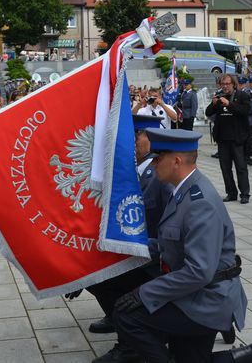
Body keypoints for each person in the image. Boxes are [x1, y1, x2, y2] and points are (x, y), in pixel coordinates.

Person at [112, 127, 252, 363]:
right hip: (195, 293)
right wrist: (126, 247)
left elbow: (199, 271)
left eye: (158, 158)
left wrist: (145, 293)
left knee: (127, 316)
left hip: (207, 300)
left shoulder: (198, 202)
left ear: (176, 161)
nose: (153, 165)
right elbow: (167, 245)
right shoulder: (182, 190)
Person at [86, 115, 172, 363]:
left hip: (156, 258)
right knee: (92, 277)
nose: (131, 141)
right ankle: (119, 320)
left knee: (107, 278)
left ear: (153, 139)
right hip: (141, 251)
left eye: (137, 135)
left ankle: (130, 344)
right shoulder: (134, 171)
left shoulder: (160, 178)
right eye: (130, 135)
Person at [204, 74, 251, 204]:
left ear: (233, 84)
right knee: (225, 168)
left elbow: (245, 111)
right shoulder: (219, 96)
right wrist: (213, 104)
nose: (225, 86)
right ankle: (231, 193)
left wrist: (229, 104)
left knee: (241, 167)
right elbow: (208, 113)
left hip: (237, 138)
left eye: (227, 84)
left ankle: (245, 194)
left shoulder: (242, 96)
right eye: (222, 84)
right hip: (222, 138)